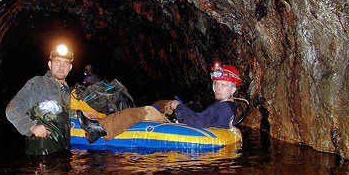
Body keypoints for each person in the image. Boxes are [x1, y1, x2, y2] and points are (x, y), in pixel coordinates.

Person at [76, 61, 242, 144]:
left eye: (223, 85)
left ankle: (99, 129)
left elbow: (198, 122)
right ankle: (153, 110)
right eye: (216, 84)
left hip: (182, 122)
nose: (218, 89)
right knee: (163, 102)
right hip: (179, 116)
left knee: (141, 113)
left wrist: (180, 108)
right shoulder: (227, 105)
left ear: (233, 90)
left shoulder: (224, 108)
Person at [6, 44, 74, 155]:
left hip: (60, 152)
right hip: (40, 153)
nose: (61, 67)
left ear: (70, 68)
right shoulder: (39, 83)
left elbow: (62, 115)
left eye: (65, 63)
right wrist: (31, 126)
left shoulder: (66, 91)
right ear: (50, 64)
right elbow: (12, 109)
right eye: (57, 62)